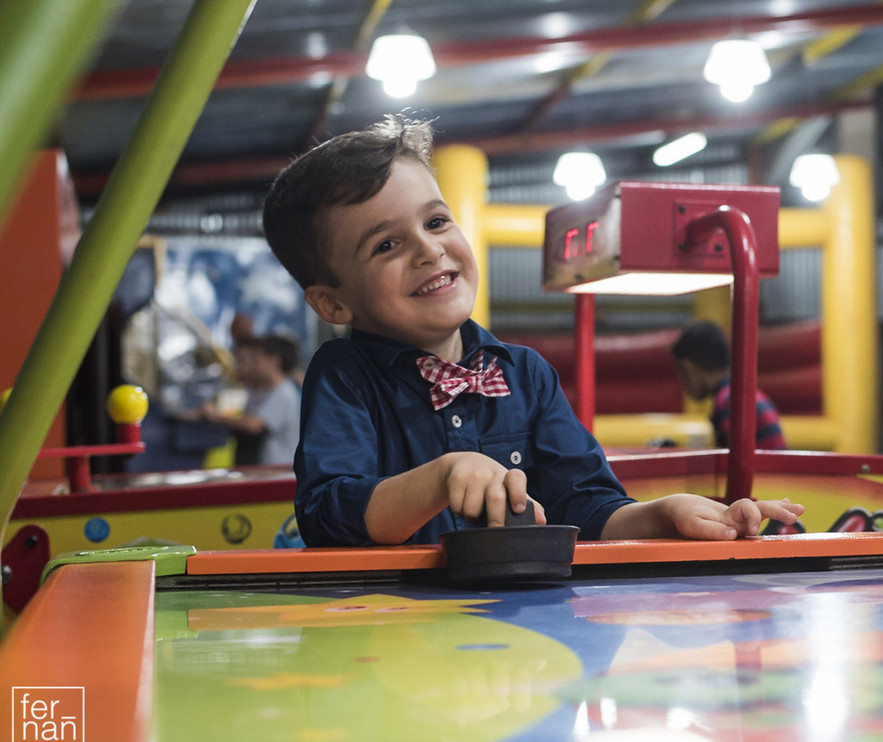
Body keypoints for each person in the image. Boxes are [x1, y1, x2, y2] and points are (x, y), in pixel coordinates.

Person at [261, 114, 802, 547]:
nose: (429, 250)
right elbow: (329, 515)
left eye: (435, 222)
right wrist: (439, 477)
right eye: (386, 245)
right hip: (390, 637)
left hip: (522, 639)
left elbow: (584, 507)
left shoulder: (525, 374)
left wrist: (664, 515)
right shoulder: (344, 376)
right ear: (332, 302)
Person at [671, 320, 787, 451]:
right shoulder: (742, 394)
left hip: (763, 471)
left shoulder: (729, 401)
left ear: (688, 367)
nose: (682, 384)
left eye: (679, 373)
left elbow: (733, 463)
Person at [186, 334, 301, 465]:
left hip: (279, 471)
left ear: (274, 361)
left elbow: (254, 425)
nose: (251, 364)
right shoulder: (261, 390)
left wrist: (214, 416)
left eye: (256, 358)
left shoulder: (283, 393)